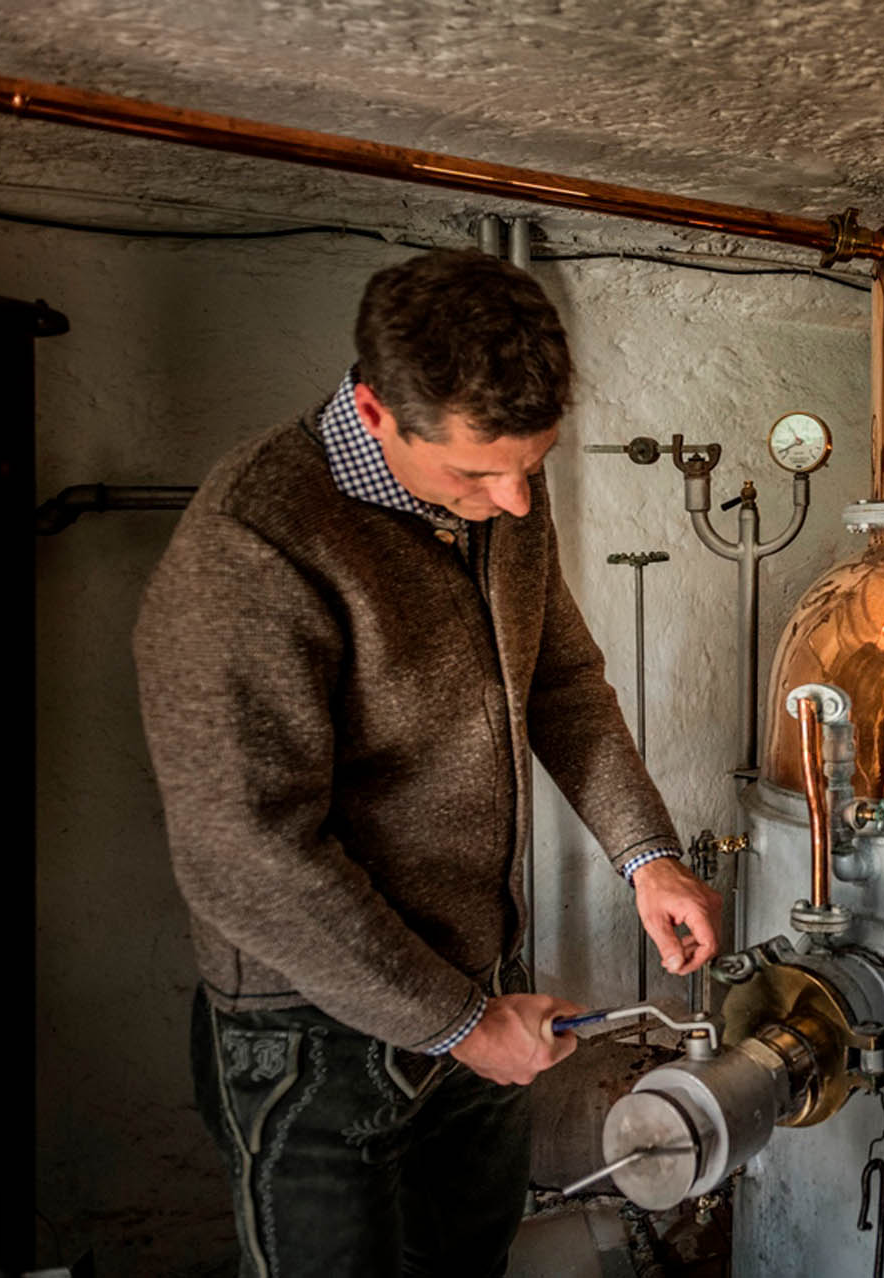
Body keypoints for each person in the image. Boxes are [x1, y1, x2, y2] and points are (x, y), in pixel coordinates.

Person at [133, 249, 723, 1277]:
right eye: (476, 473)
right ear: (373, 412)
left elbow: (563, 684)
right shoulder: (254, 544)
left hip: (478, 995)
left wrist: (648, 856)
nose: (515, 504)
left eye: (531, 466)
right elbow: (246, 850)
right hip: (316, 1037)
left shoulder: (500, 508)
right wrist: (457, 1023)